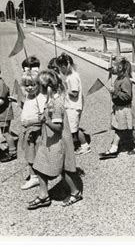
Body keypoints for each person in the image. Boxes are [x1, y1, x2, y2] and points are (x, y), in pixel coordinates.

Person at [28, 70, 83, 210]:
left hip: (57, 142)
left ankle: (75, 192)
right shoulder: (51, 99)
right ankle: (44, 195)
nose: (37, 88)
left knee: (63, 170)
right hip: (49, 141)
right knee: (39, 165)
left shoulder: (56, 103)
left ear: (46, 87)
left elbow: (58, 127)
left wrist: (46, 121)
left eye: (39, 85)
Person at [99, 58, 135, 160]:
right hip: (119, 108)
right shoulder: (118, 79)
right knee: (120, 128)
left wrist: (115, 92)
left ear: (121, 69)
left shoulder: (125, 81)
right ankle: (116, 148)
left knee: (128, 128)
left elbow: (127, 96)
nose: (113, 68)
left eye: (115, 67)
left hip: (125, 109)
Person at [56, 53, 91, 155]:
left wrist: (64, 88)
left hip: (73, 107)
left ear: (64, 66)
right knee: (72, 128)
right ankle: (72, 146)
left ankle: (85, 146)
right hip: (71, 106)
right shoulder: (71, 75)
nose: (61, 71)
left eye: (60, 68)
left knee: (74, 130)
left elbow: (74, 94)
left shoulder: (72, 77)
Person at [18, 70, 47, 190]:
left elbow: (44, 117)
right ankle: (34, 175)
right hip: (28, 130)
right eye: (26, 85)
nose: (29, 88)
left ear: (39, 84)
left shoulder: (40, 98)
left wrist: (30, 122)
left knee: (34, 154)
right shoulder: (28, 96)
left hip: (35, 131)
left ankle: (36, 176)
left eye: (33, 84)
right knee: (29, 154)